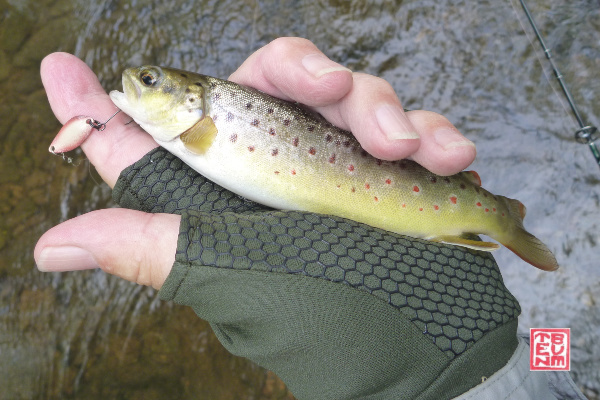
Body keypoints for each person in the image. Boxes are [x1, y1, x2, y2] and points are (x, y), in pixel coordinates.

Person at [35, 38, 585, 399]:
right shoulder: (556, 356)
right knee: (568, 346)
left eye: (151, 80)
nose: (139, 81)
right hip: (538, 362)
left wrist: (464, 374)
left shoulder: (549, 348)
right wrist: (478, 376)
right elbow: (561, 370)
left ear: (192, 101)